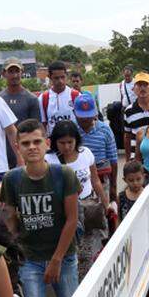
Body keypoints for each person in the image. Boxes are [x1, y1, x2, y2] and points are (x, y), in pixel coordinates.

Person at [0, 119, 79, 297]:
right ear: (18, 148)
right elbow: (10, 221)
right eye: (25, 143)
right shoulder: (12, 179)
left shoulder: (64, 174)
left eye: (37, 141)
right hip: (30, 259)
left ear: (46, 143)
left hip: (64, 257)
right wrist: (11, 253)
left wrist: (56, 259)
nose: (32, 147)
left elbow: (72, 220)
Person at [47, 120, 111, 281]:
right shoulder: (49, 160)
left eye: (70, 142)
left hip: (89, 208)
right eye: (62, 143)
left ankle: (86, 281)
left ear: (76, 140)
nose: (67, 146)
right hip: (65, 212)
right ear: (55, 142)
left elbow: (95, 180)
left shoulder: (86, 153)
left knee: (88, 250)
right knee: (71, 250)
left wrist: (105, 203)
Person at [74, 93, 118, 203]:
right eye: (81, 117)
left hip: (102, 179)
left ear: (95, 114)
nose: (85, 120)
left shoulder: (105, 130)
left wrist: (114, 186)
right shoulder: (72, 131)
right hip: (79, 182)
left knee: (103, 210)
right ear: (74, 114)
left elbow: (113, 159)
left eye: (88, 116)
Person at [0, 58, 41, 168]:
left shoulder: (31, 99)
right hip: (3, 156)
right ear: (3, 73)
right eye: (11, 71)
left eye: (17, 71)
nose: (15, 75)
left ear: (22, 72)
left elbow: (36, 131)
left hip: (26, 155)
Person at [38, 60, 80, 134]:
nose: (60, 81)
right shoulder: (43, 98)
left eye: (62, 77)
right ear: (50, 77)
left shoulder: (76, 96)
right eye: (56, 78)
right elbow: (43, 124)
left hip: (73, 142)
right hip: (53, 143)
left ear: (66, 76)